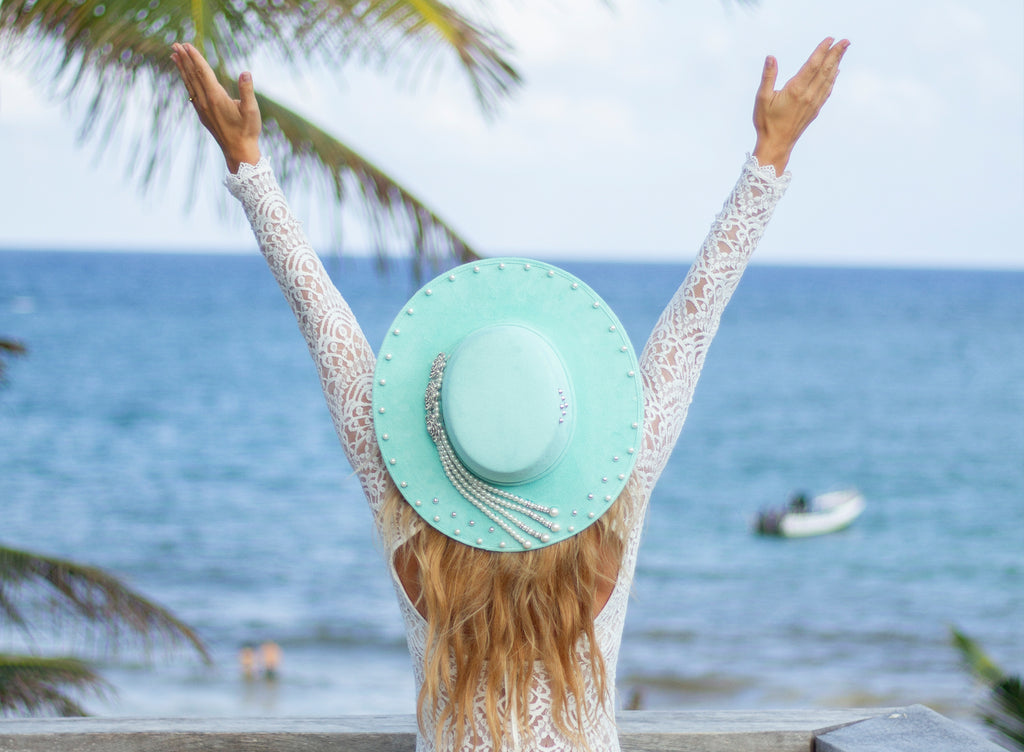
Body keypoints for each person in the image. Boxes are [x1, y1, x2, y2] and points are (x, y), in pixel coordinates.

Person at [172, 35, 848, 752]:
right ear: (571, 425)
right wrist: (770, 153)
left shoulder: (411, 534)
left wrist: (249, 166)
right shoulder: (613, 513)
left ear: (447, 425)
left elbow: (322, 318)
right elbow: (695, 320)